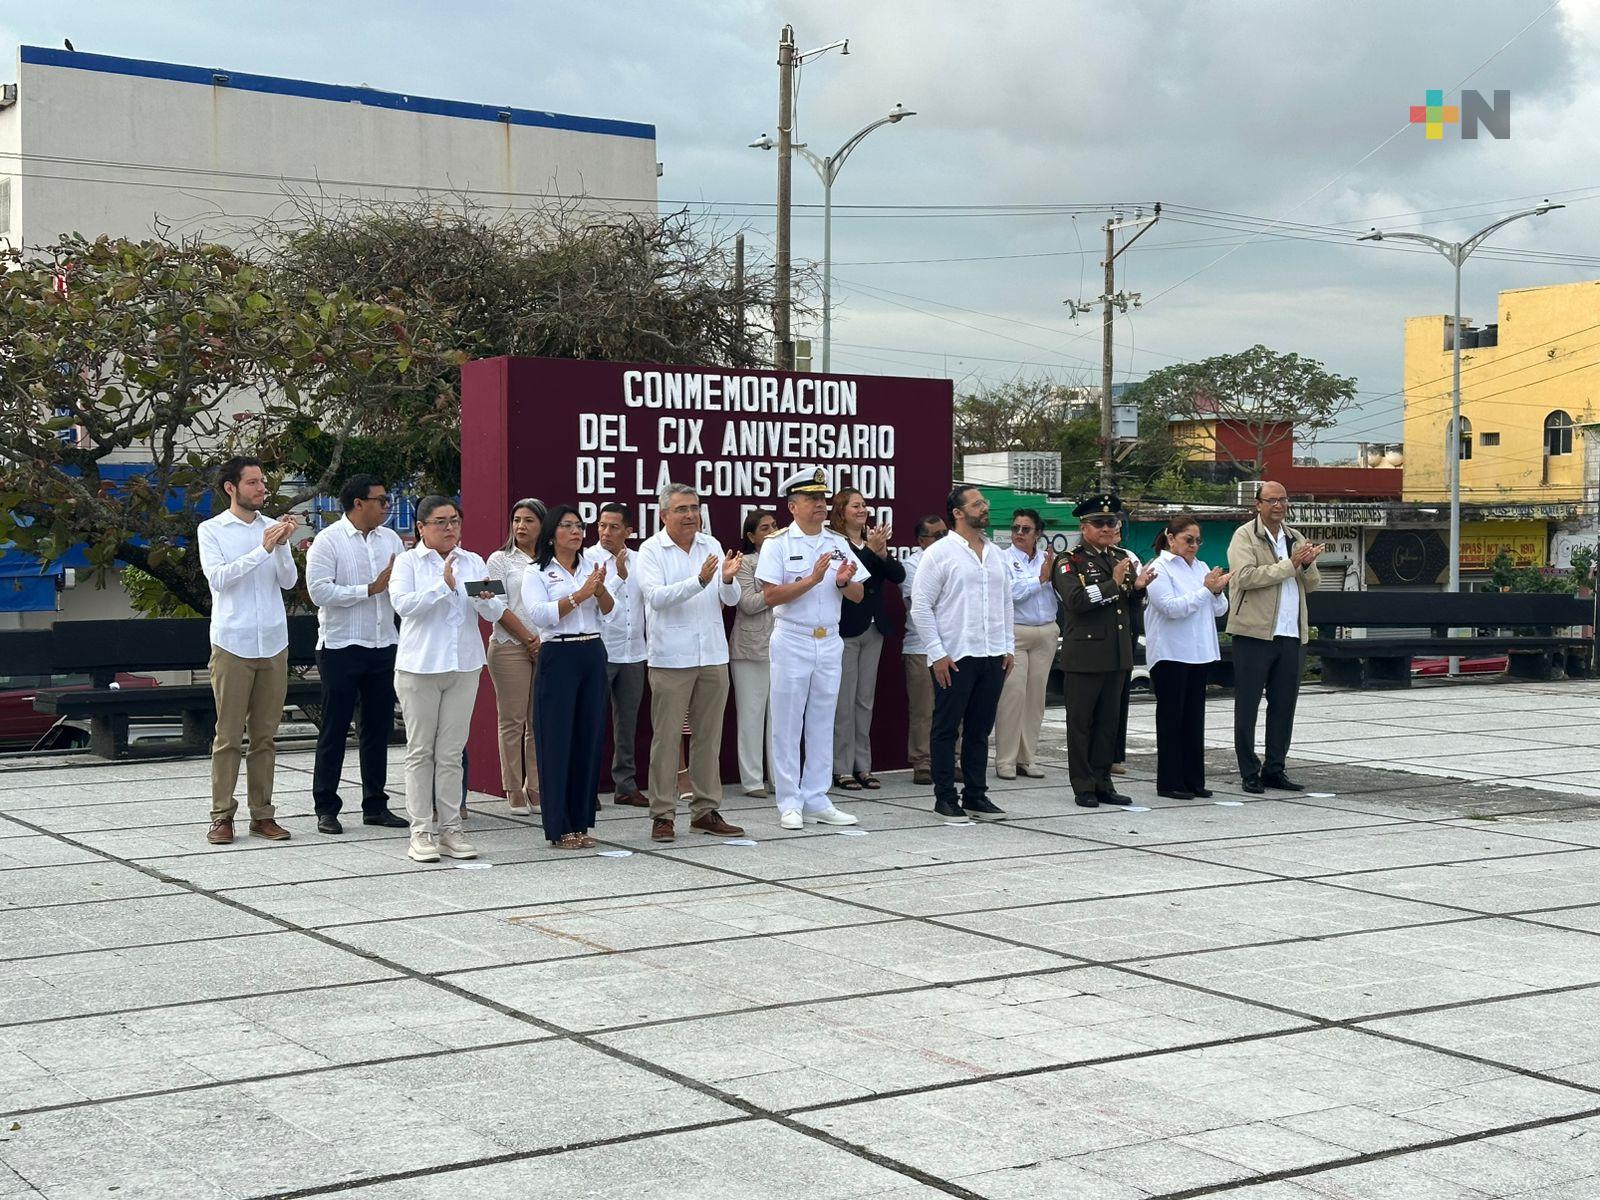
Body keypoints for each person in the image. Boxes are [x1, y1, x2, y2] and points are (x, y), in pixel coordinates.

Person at [390, 496, 506, 863]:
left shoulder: (473, 560)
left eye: (454, 520)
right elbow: (403, 605)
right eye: (440, 522)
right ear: (421, 527)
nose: (449, 528)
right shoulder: (408, 562)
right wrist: (444, 585)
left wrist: (486, 598)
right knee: (421, 750)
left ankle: (451, 828)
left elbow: (492, 609)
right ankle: (421, 830)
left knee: (452, 752)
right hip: (420, 667)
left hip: (464, 664)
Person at [635, 483, 746, 842]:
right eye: (682, 509)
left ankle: (705, 810)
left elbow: (728, 599)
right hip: (671, 656)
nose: (690, 515)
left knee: (709, 737)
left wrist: (727, 579)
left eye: (695, 508)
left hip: (712, 653)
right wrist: (698, 580)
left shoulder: (710, 544)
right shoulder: (650, 551)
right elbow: (656, 598)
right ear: (664, 515)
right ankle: (663, 814)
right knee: (666, 739)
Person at [198, 456, 299, 845]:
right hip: (232, 643)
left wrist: (282, 546)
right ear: (231, 488)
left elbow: (288, 582)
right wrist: (262, 549)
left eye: (262, 482)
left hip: (273, 642)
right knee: (228, 735)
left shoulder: (270, 526)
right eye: (253, 482)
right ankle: (221, 815)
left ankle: (263, 814)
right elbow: (220, 579)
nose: (261, 489)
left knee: (265, 736)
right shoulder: (212, 530)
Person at [757, 469, 864, 829]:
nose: (821, 504)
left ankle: (817, 796)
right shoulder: (778, 543)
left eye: (823, 498)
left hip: (829, 639)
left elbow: (858, 593)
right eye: (811, 499)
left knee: (822, 720)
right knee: (787, 722)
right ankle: (789, 800)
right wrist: (813, 580)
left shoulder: (836, 542)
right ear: (793, 505)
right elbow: (770, 596)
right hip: (793, 637)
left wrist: (843, 580)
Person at [305, 474, 409, 835]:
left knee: (378, 729)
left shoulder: (391, 539)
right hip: (340, 647)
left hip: (383, 644)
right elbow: (319, 592)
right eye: (380, 500)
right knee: (334, 728)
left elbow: (399, 589)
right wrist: (369, 589)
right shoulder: (327, 541)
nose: (386, 506)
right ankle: (326, 807)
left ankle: (375, 805)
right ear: (358, 503)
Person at [909, 484, 1013, 821]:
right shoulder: (939, 553)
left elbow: (1006, 601)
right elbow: (921, 606)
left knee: (980, 729)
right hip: (954, 655)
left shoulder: (995, 553)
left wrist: (1008, 645)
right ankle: (944, 797)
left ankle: (976, 795)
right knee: (946, 727)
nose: (985, 508)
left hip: (992, 653)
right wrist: (937, 653)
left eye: (985, 503)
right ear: (957, 512)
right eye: (978, 503)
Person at [1054, 493, 1155, 808]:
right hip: (1085, 656)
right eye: (1099, 522)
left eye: (1112, 522)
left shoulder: (1118, 557)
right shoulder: (1069, 560)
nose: (1107, 528)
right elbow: (1076, 601)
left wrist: (1137, 589)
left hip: (1116, 654)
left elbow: (1127, 607)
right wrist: (1113, 584)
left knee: (1109, 723)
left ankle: (1103, 782)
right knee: (1082, 723)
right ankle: (1083, 785)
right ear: (1084, 527)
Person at [522, 506, 614, 849]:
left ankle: (581, 822)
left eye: (578, 526)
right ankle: (559, 826)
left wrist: (600, 590)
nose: (575, 531)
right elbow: (541, 616)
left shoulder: (592, 567)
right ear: (551, 533)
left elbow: (611, 611)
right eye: (567, 526)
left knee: (588, 738)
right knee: (557, 740)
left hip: (591, 651)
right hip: (558, 654)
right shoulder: (538, 572)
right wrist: (580, 595)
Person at [1226, 481, 1323, 794]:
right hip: (1254, 632)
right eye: (1271, 500)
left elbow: (1312, 585)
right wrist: (1290, 565)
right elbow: (1245, 577)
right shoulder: (1244, 535)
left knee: (1284, 705)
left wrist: (1305, 564)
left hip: (1291, 633)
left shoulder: (1295, 537)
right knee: (1248, 705)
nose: (1278, 506)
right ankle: (1248, 771)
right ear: (1257, 504)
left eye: (1283, 499)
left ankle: (1275, 768)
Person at [1144, 514, 1230, 800]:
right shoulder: (1160, 568)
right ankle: (1169, 781)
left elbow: (1219, 610)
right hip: (1171, 653)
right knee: (1172, 719)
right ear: (1171, 538)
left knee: (1194, 719)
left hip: (1199, 651)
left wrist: (1216, 591)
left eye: (1197, 541)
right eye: (1187, 540)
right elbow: (1171, 608)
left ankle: (1194, 779)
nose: (1193, 546)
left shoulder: (1201, 567)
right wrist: (1206, 590)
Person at [830, 489, 904, 792]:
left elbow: (897, 575)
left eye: (864, 505)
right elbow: (852, 574)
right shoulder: (835, 542)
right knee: (843, 702)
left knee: (864, 701)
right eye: (855, 505)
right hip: (847, 627)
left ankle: (864, 765)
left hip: (875, 628)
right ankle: (841, 768)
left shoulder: (873, 540)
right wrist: (872, 551)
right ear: (842, 511)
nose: (862, 510)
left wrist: (882, 552)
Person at [583, 504, 650, 809]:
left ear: (628, 531)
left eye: (613, 527)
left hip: (634, 650)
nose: (606, 533)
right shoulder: (587, 558)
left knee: (628, 723)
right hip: (600, 650)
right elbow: (595, 601)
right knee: (592, 721)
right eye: (601, 526)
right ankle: (587, 787)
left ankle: (626, 785)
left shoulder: (641, 560)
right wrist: (618, 576)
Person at [484, 499, 546, 813]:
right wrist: (527, 639)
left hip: (546, 646)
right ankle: (512, 787)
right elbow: (496, 606)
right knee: (513, 720)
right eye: (517, 520)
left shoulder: (552, 560)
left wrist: (541, 641)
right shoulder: (499, 560)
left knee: (538, 721)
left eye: (529, 521)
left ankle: (534, 785)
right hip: (510, 647)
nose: (521, 526)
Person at [994, 508, 1056, 781]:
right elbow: (1010, 594)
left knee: (1035, 700)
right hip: (1016, 632)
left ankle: (1027, 758)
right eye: (1016, 527)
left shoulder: (1048, 559)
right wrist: (1039, 579)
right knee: (1012, 697)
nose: (1019, 533)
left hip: (1046, 631)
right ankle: (1005, 760)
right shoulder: (1003, 558)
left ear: (1038, 534)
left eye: (1026, 529)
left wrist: (1051, 575)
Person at [729, 509, 778, 797]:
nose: (772, 531)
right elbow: (747, 603)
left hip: (785, 646)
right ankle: (752, 780)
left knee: (781, 718)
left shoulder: (788, 557)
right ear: (751, 536)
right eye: (764, 528)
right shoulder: (745, 563)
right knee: (751, 714)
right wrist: (784, 590)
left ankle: (779, 777)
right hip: (751, 647)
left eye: (774, 526)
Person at [900, 515, 946, 786]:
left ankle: (952, 759)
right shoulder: (912, 564)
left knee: (954, 709)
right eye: (936, 536)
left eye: (944, 533)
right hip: (921, 646)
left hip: (954, 645)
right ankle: (922, 761)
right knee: (924, 709)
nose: (943, 540)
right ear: (921, 541)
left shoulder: (957, 556)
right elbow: (920, 605)